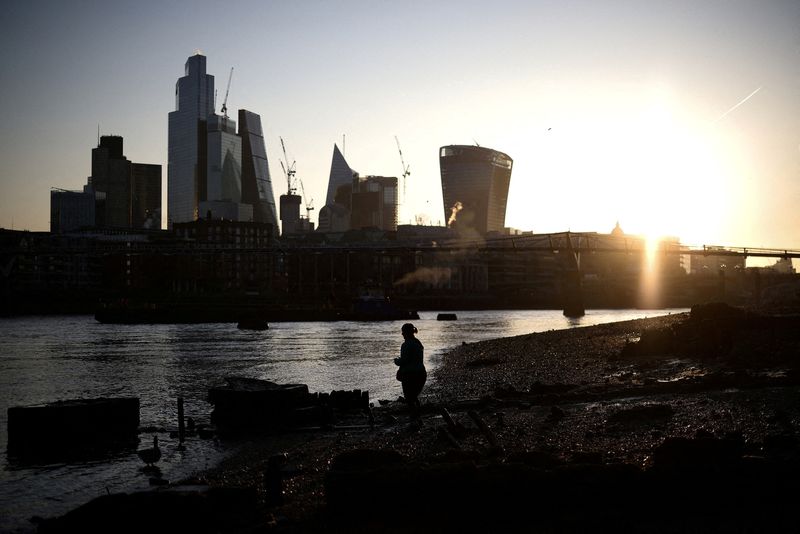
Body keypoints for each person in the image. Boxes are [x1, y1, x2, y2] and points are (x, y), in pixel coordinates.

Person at [394, 323, 426, 416]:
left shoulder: (406, 344)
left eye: (403, 332)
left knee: (409, 399)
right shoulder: (418, 343)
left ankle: (414, 418)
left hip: (410, 376)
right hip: (421, 374)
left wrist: (396, 361)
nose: (402, 334)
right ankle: (417, 416)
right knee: (413, 397)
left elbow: (404, 360)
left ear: (406, 332)